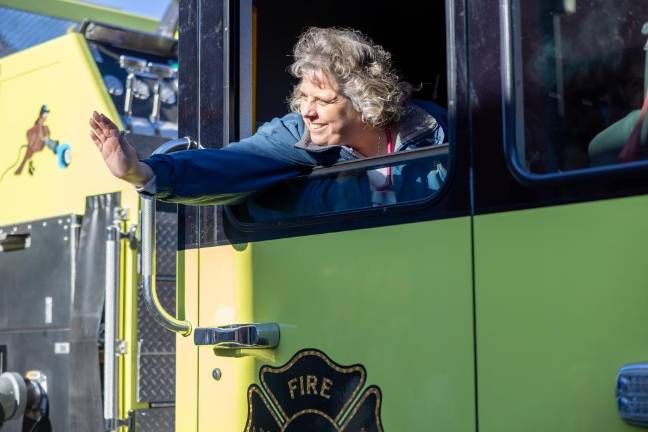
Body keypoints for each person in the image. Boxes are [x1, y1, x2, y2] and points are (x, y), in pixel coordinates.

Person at [89, 27, 446, 208]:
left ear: (364, 100)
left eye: (322, 100)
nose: (307, 110)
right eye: (304, 96)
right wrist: (142, 173)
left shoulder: (436, 131)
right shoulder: (296, 133)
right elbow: (229, 164)